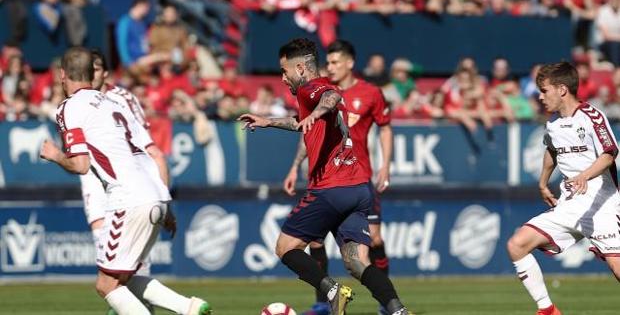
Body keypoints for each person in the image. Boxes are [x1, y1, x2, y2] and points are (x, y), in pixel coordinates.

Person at [238, 38, 413, 315]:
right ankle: (398, 310)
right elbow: (301, 122)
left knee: (285, 247)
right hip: (357, 188)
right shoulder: (313, 93)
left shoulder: (312, 88)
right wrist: (268, 121)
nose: (283, 78)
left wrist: (318, 111)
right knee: (356, 263)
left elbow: (331, 99)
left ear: (301, 68)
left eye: (285, 71)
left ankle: (332, 292)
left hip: (330, 188)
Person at [39, 47, 211, 315]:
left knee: (106, 285)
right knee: (124, 278)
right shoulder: (116, 103)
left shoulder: (69, 107)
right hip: (155, 194)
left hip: (128, 199)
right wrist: (166, 203)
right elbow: (153, 153)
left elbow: (81, 165)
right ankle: (189, 307)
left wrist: (55, 155)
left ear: (63, 75)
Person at [282, 40, 394, 315]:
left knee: (372, 245)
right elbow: (306, 130)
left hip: (356, 176)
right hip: (328, 178)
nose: (330, 67)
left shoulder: (365, 93)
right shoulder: (317, 89)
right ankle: (326, 302)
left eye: (335, 62)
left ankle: (379, 303)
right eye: (327, 62)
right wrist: (295, 166)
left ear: (349, 63)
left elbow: (385, 128)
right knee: (322, 246)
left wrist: (385, 166)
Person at [506, 62, 620, 315]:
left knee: (617, 268)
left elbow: (609, 154)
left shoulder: (592, 116)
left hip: (601, 204)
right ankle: (548, 310)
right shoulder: (554, 124)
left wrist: (584, 175)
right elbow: (552, 150)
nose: (540, 96)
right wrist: (543, 182)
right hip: (570, 205)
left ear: (562, 89)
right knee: (517, 244)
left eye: (544, 90)